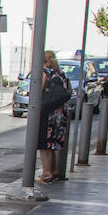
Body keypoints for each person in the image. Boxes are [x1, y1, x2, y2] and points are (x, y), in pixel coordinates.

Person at [38, 50, 70, 183]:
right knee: (52, 143)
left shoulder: (45, 73)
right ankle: (54, 170)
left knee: (44, 145)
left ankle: (46, 173)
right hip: (59, 114)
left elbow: (37, 91)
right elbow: (69, 91)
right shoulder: (61, 74)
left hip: (47, 112)